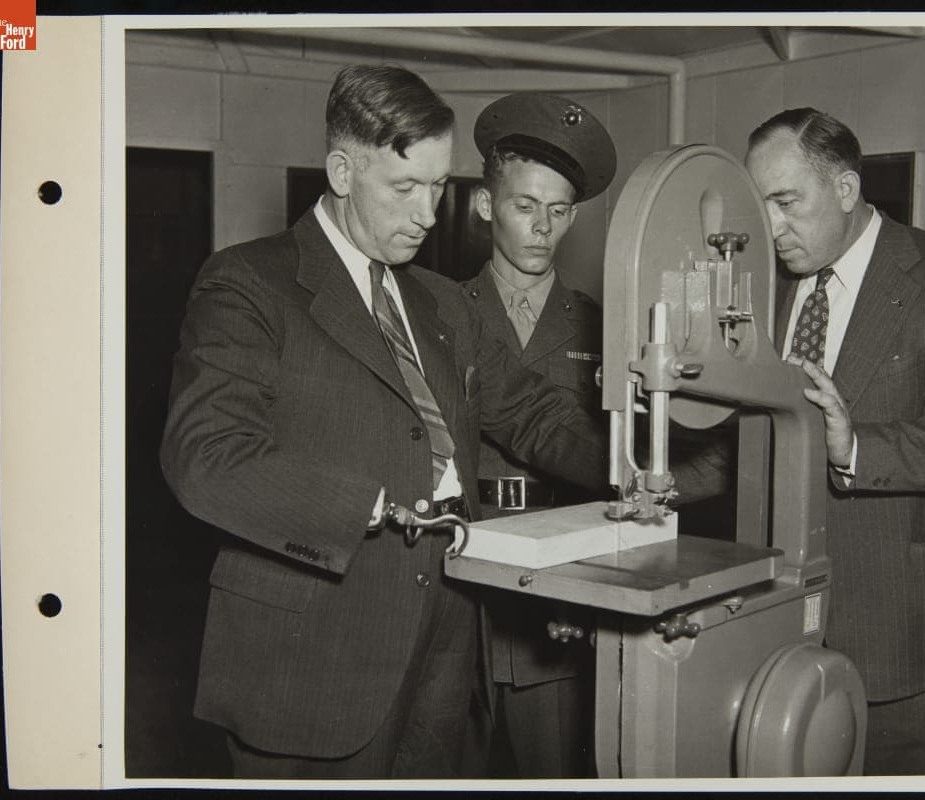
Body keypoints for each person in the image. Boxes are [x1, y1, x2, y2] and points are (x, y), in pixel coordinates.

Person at [158, 64, 612, 779]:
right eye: (404, 187)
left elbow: (533, 414)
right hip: (313, 660)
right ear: (341, 171)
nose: (429, 214)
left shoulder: (440, 303)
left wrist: (642, 466)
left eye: (437, 187)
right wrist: (371, 505)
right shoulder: (248, 283)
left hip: (441, 653)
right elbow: (206, 458)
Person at [744, 108, 925, 776]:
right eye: (761, 206)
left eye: (786, 202)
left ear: (844, 189)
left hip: (908, 633)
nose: (771, 228)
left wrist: (854, 447)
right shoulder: (762, 290)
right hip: (780, 617)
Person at [458, 92, 614, 779]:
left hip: (559, 578)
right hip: (457, 569)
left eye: (557, 211)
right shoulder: (440, 314)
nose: (541, 227)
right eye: (525, 206)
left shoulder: (601, 327)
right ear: (488, 205)